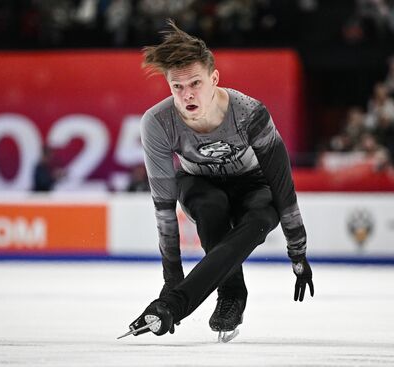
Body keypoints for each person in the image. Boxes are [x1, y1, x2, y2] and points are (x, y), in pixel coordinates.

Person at [123, 20, 314, 341]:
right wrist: (172, 277)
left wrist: (298, 252)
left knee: (258, 221)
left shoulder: (250, 113)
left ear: (214, 79)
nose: (187, 95)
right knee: (211, 208)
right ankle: (231, 294)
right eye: (177, 87)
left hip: (256, 184)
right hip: (199, 183)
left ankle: (179, 305)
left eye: (195, 83)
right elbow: (164, 207)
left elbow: (282, 186)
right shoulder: (156, 122)